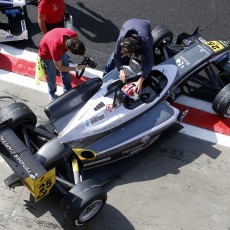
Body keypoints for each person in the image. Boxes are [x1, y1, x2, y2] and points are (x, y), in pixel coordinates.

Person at [104, 19, 154, 94]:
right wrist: (121, 70)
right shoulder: (121, 39)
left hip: (144, 27)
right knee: (114, 56)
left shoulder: (145, 41)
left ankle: (142, 79)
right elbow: (116, 55)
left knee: (146, 59)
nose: (127, 56)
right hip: (128, 23)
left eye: (129, 54)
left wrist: (140, 80)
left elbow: (150, 62)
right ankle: (105, 75)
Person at [38, 27, 87, 101]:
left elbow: (79, 49)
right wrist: (76, 68)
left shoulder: (74, 35)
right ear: (69, 50)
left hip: (58, 47)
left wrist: (85, 58)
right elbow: (59, 67)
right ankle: (52, 93)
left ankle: (67, 89)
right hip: (47, 55)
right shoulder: (56, 47)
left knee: (66, 71)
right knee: (51, 76)